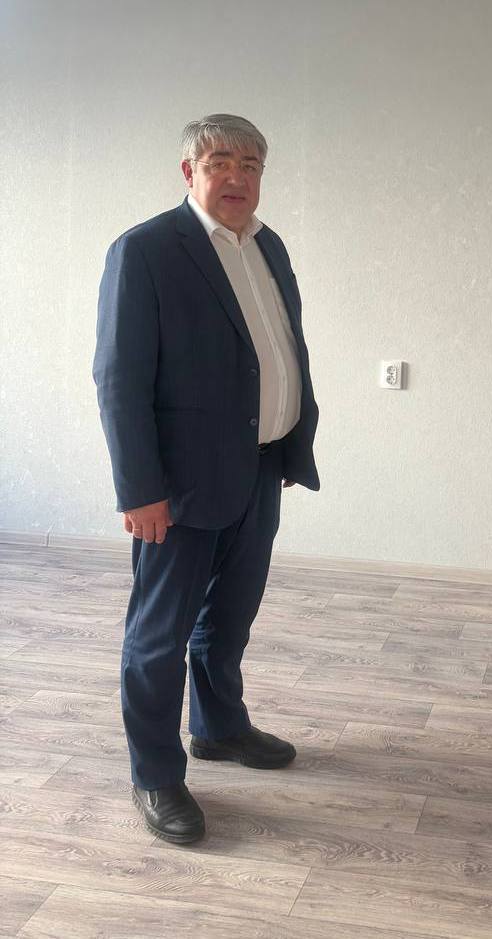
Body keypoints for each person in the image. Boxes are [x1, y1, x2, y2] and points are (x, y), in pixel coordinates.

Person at [93, 114, 320, 844]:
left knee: (229, 617)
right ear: (189, 172)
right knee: (158, 635)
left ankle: (219, 727)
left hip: (259, 466)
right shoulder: (146, 250)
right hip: (180, 485)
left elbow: (276, 348)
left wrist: (287, 437)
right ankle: (156, 774)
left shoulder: (268, 244)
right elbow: (119, 379)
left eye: (251, 164)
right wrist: (140, 490)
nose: (237, 176)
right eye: (220, 161)